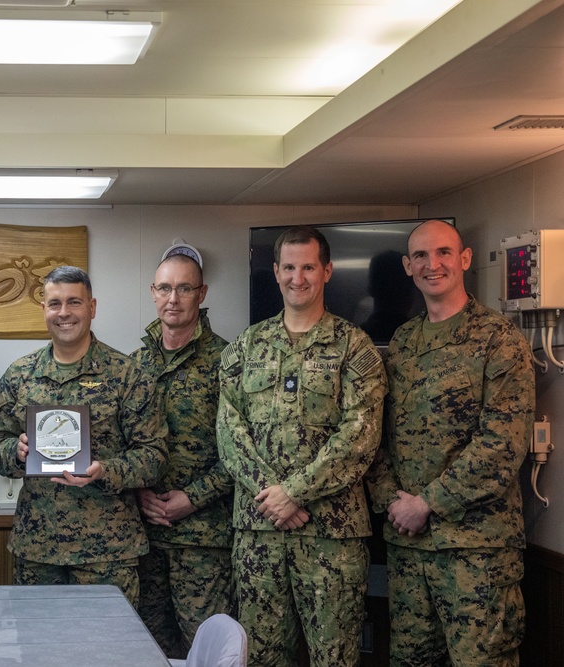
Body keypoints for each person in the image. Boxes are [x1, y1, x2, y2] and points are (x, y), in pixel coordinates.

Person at [365, 219, 534, 666]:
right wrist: (392, 503)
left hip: (475, 552)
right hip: (408, 548)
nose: (431, 264)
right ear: (407, 266)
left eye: (443, 253)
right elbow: (377, 433)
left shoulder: (499, 341)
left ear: (464, 259)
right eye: (420, 255)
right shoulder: (403, 342)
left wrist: (427, 504)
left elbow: (502, 444)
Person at [216, 226, 387, 667]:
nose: (298, 277)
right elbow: (230, 434)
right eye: (289, 267)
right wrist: (274, 498)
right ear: (275, 272)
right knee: (262, 658)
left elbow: (360, 435)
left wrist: (294, 493)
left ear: (326, 271)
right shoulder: (244, 348)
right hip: (259, 532)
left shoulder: (354, 346)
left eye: (308, 266)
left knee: (334, 657)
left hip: (331, 537)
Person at [0, 265, 168, 606]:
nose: (64, 313)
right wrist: (17, 451)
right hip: (38, 549)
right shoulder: (19, 376)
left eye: (74, 302)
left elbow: (154, 456)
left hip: (107, 552)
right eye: (55, 304)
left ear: (92, 307)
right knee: (38, 652)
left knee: (108, 654)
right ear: (43, 309)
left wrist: (106, 470)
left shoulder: (127, 374)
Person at [130, 252, 234, 658]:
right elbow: (122, 446)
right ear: (153, 293)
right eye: (165, 288)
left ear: (201, 293)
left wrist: (193, 498)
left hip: (204, 540)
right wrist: (139, 492)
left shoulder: (230, 361)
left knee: (205, 652)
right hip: (145, 537)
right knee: (149, 651)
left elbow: (243, 454)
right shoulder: (134, 366)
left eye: (184, 288)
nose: (173, 298)